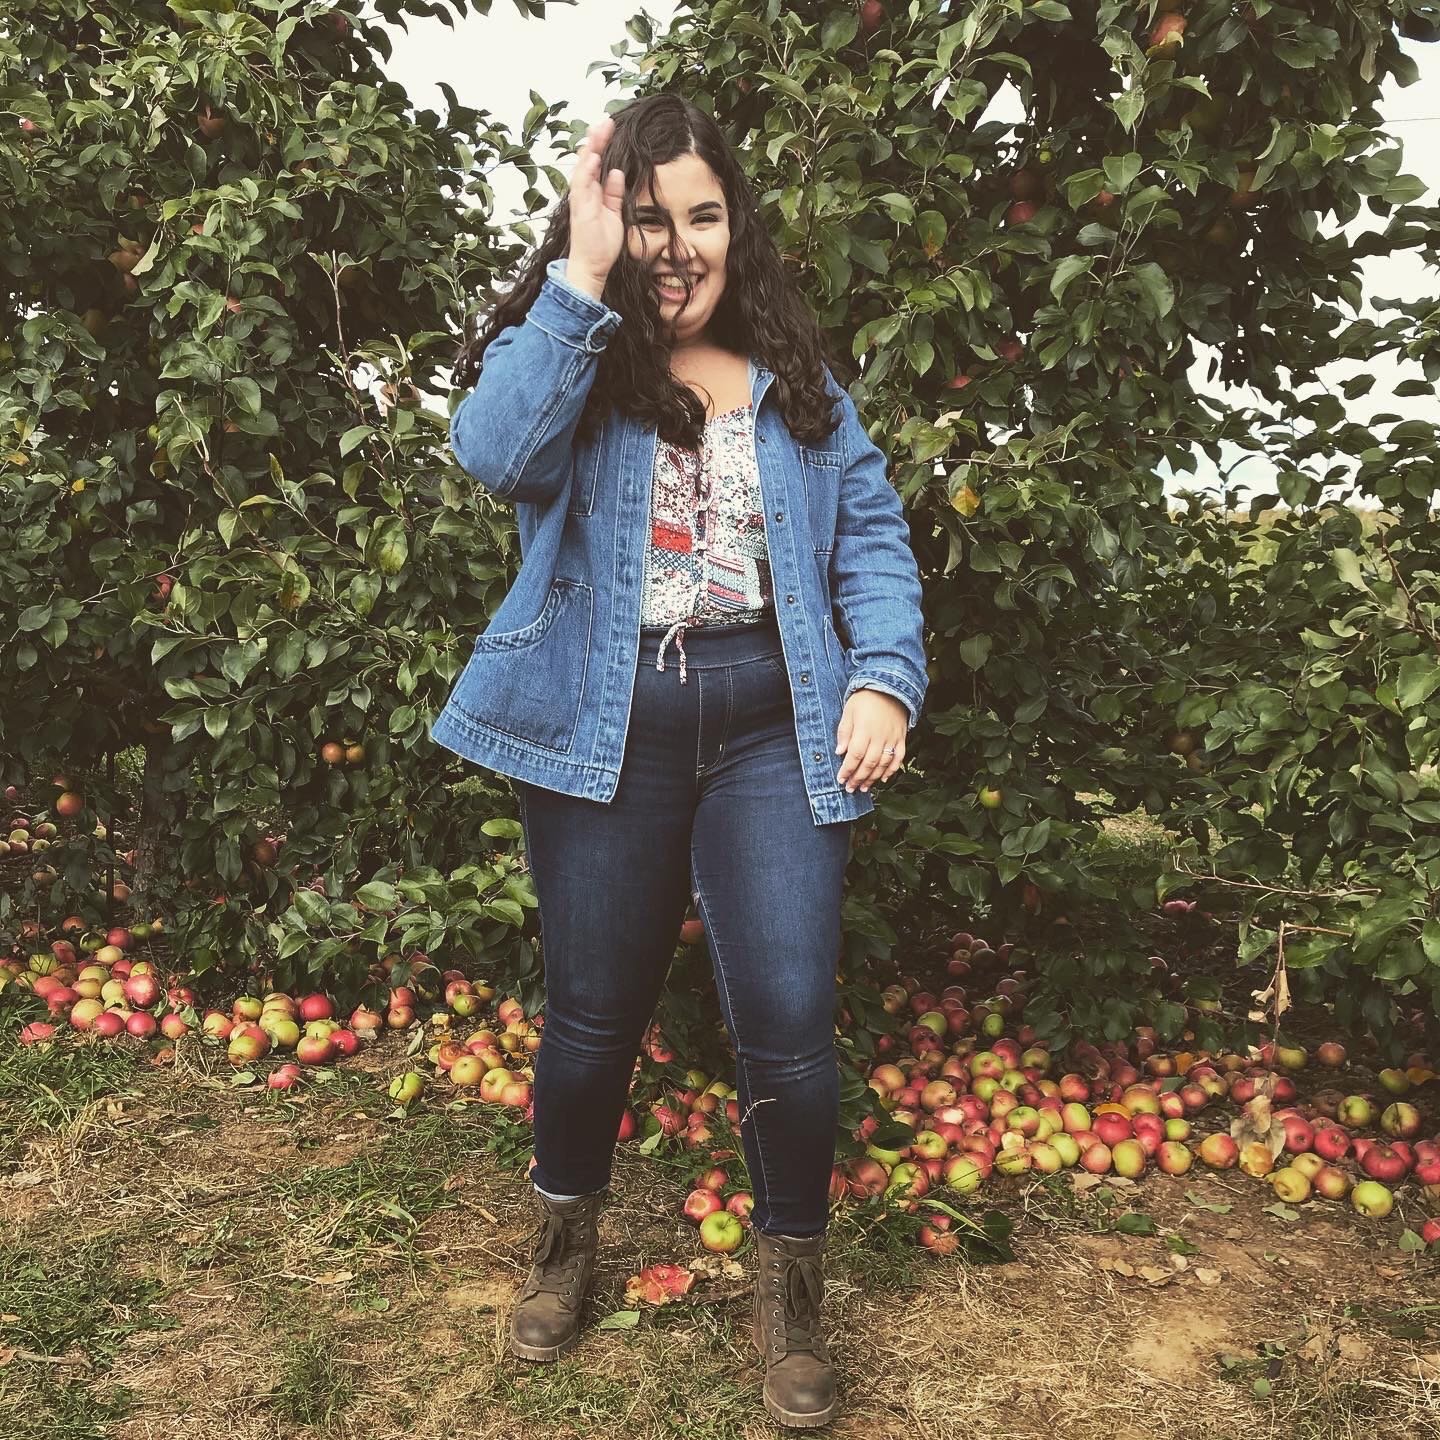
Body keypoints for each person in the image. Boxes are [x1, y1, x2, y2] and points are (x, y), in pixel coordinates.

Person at [430, 92, 927, 1429]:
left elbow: (872, 538)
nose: (677, 244)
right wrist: (580, 274)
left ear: (736, 227)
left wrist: (882, 677)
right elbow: (488, 451)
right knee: (593, 1014)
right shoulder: (578, 363)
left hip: (773, 719)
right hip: (611, 727)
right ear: (613, 226)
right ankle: (561, 1251)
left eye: (701, 216)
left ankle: (790, 1302)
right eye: (648, 218)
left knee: (787, 1016)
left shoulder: (800, 384)